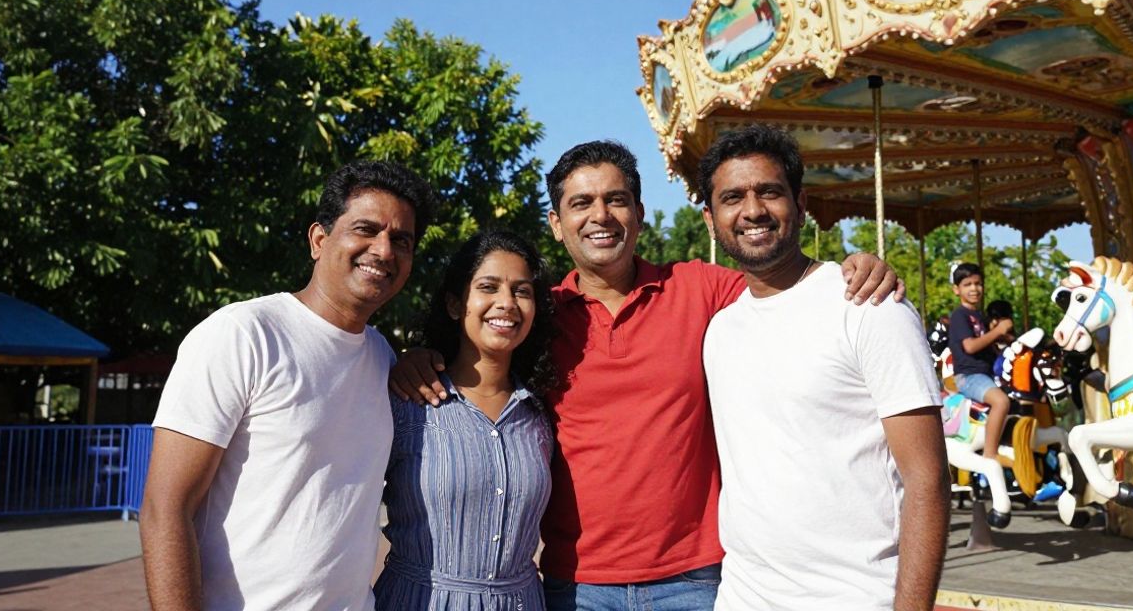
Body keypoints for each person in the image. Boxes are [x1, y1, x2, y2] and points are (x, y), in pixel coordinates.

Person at [391, 139, 901, 610]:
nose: (600, 216)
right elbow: (481, 348)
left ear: (639, 213)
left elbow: (781, 279)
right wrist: (423, 356)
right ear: (555, 222)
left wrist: (850, 267)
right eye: (581, 203)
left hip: (694, 580)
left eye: (616, 200)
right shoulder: (540, 315)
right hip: (577, 586)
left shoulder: (701, 289)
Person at [140, 160, 433, 611]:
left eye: (401, 240)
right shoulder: (243, 334)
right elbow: (165, 509)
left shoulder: (383, 359)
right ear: (319, 239)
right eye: (365, 229)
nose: (384, 250)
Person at [697, 124, 948, 610]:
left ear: (801, 204)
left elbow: (928, 478)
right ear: (711, 219)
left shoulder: (868, 307)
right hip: (744, 597)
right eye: (733, 198)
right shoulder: (719, 331)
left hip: (855, 596)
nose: (752, 211)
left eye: (769, 192)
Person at [375, 231, 557, 610]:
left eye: (522, 291)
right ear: (457, 304)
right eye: (488, 287)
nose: (506, 303)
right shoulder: (407, 400)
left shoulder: (540, 415)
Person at [948, 262, 1014, 463]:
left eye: (977, 283)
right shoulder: (960, 315)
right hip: (969, 376)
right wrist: (998, 331)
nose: (974, 289)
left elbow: (989, 343)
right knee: (1002, 401)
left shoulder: (979, 316)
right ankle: (990, 453)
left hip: (986, 373)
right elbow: (970, 346)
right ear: (956, 290)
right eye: (967, 284)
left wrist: (1006, 338)